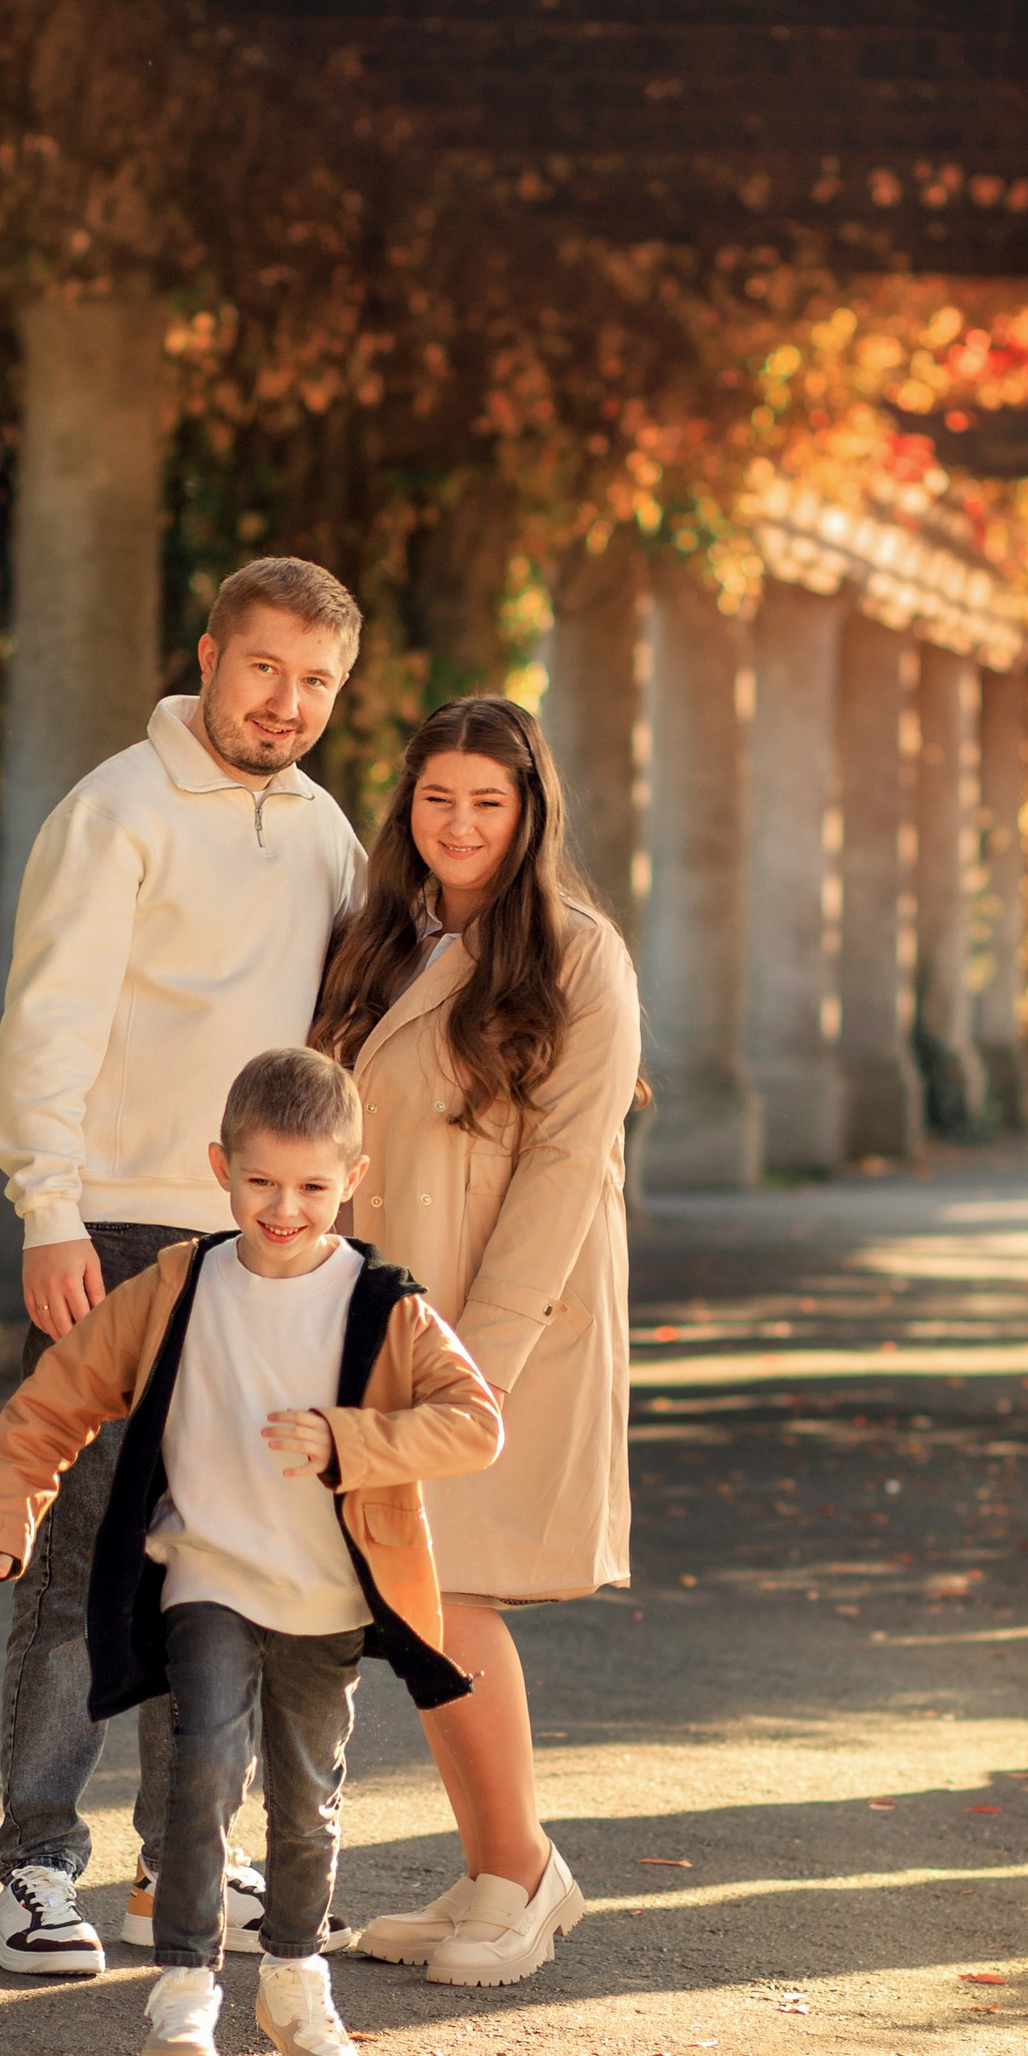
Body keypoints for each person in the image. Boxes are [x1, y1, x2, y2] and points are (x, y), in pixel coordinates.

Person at [0, 1047, 502, 2056]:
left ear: (351, 1178)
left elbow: (474, 1423)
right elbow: (54, 1400)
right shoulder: (177, 1285)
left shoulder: (382, 1302)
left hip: (326, 1595)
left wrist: (348, 1439)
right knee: (202, 1765)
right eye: (260, 1182)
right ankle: (183, 1991)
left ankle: (294, 1983)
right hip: (204, 1574)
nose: (283, 1209)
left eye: (310, 1188)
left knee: (306, 1801)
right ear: (219, 1167)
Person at [0, 555, 368, 1976]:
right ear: (208, 656)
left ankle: (180, 1865)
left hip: (262, 1238)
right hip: (117, 1233)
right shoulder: (117, 810)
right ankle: (35, 1869)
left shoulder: (325, 831)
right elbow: (53, 1019)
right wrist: (47, 1208)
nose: (286, 701)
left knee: (218, 1565)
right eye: (264, 666)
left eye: (316, 681)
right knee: (82, 1563)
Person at [312, 691, 641, 1988]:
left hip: (514, 1322)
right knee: (413, 1593)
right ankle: (494, 1867)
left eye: (486, 803)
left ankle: (520, 1872)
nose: (458, 824)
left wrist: (475, 1363)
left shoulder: (578, 955)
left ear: (527, 813)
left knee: (450, 1591)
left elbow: (564, 1171)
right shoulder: (377, 941)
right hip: (383, 1308)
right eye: (437, 798)